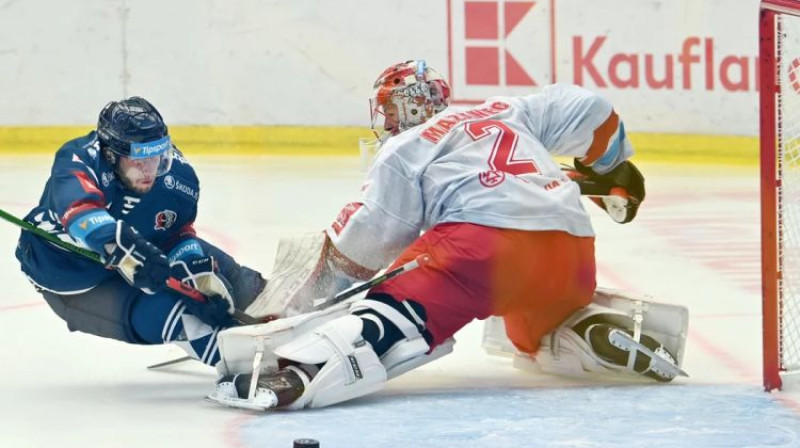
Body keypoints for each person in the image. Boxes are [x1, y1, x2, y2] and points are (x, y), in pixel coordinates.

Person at [207, 60, 678, 411]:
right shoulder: (506, 111)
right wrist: (607, 165)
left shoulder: (406, 149)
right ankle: (582, 330)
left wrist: (288, 307)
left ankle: (296, 375)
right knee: (525, 329)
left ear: (409, 105)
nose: (386, 121)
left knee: (395, 303)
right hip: (573, 255)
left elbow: (362, 249)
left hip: (485, 252)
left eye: (389, 109)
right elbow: (591, 109)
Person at [15, 97, 267, 366]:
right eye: (139, 160)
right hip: (73, 280)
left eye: (156, 155)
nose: (150, 170)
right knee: (177, 315)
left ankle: (291, 313)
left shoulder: (177, 178)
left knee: (228, 275)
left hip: (140, 251)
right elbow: (79, 210)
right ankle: (247, 364)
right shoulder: (78, 158)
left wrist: (195, 272)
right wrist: (122, 248)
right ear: (112, 155)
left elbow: (177, 234)